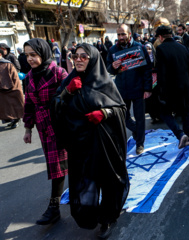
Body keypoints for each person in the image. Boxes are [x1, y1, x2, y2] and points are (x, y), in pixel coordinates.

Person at [51, 43, 129, 239]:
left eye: (83, 56)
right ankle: (89, 215)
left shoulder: (105, 82)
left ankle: (107, 218)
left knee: (110, 181)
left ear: (93, 59)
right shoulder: (69, 81)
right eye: (75, 56)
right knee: (85, 181)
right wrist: (66, 93)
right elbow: (56, 107)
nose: (78, 59)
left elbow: (121, 109)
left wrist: (105, 112)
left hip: (104, 143)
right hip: (80, 144)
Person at [22, 38, 68, 225]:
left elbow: (72, 98)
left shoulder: (58, 72)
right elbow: (29, 104)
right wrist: (28, 129)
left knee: (78, 164)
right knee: (56, 167)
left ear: (43, 53)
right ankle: (54, 208)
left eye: (33, 54)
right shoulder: (29, 77)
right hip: (45, 128)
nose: (30, 59)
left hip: (64, 126)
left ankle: (88, 200)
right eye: (27, 56)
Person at [106, 24, 152, 155]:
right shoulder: (113, 50)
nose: (121, 37)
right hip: (122, 90)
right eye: (119, 34)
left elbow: (147, 70)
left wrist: (147, 88)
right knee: (123, 117)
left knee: (140, 118)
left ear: (129, 34)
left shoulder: (140, 47)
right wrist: (113, 67)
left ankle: (140, 144)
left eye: (123, 34)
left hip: (138, 89)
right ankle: (137, 131)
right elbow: (108, 68)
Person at [156, 25, 189, 148]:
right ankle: (188, 135)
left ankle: (180, 135)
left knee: (164, 113)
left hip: (170, 88)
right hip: (185, 86)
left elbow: (161, 73)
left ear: (160, 37)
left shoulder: (161, 49)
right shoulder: (183, 47)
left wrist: (161, 92)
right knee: (186, 111)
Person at [0, 49, 24, 129]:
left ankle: (16, 120)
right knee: (5, 108)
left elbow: (14, 77)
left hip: (11, 89)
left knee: (14, 105)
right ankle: (11, 121)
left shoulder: (7, 64)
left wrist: (14, 87)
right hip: (2, 91)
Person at [144, 42, 161, 123]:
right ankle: (153, 117)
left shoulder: (156, 57)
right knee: (150, 101)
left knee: (157, 99)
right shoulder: (143, 59)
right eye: (146, 49)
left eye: (150, 49)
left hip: (156, 81)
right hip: (148, 82)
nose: (148, 51)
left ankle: (159, 115)